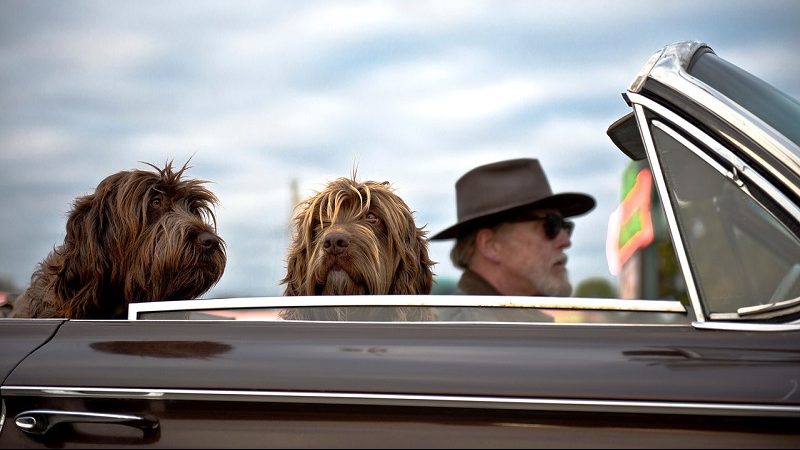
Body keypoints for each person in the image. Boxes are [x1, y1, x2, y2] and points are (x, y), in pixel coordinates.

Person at [430, 158, 595, 322]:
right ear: (490, 245)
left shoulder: (506, 328)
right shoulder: (455, 334)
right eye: (550, 224)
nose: (565, 241)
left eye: (565, 226)